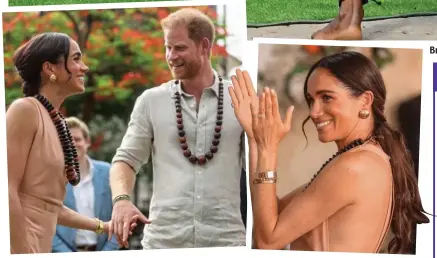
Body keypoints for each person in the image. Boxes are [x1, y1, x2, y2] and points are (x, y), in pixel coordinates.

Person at [228, 52, 430, 254]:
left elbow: (267, 241)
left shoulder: (355, 167)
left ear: (365, 101)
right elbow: (273, 215)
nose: (314, 112)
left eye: (326, 97)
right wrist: (255, 138)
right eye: (311, 99)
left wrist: (268, 149)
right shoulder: (365, 157)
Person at [109, 8, 246, 249]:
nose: (171, 56)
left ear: (204, 46)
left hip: (226, 242)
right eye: (167, 47)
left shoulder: (240, 100)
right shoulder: (151, 101)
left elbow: (259, 165)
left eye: (179, 48)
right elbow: (126, 160)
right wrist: (121, 200)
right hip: (163, 243)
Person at [7, 32, 135, 254]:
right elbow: (6, 188)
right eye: (76, 59)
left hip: (40, 246)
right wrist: (20, 249)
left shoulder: (59, 123)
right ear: (50, 69)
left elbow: (51, 206)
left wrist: (102, 226)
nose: (84, 67)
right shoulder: (25, 109)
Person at [52, 117, 120, 252]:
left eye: (77, 139)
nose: (72, 144)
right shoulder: (52, 177)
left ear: (87, 142)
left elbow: (119, 216)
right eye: (66, 140)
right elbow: (47, 219)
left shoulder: (108, 172)